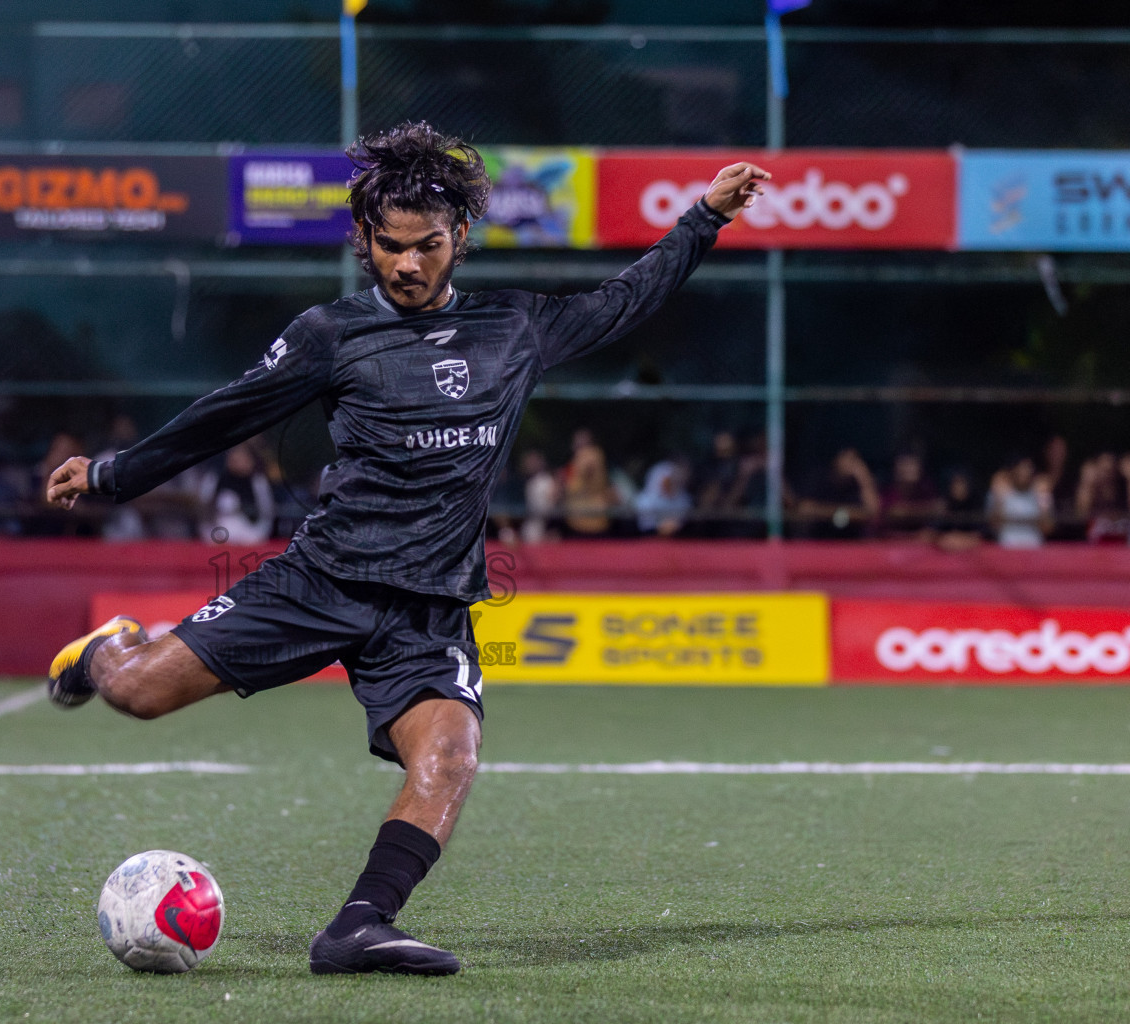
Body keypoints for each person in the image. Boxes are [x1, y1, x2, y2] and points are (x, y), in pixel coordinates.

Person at [43, 122, 768, 975]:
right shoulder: (329, 334)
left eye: (428, 246)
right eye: (391, 247)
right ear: (365, 241)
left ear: (459, 237)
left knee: (452, 754)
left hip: (425, 610)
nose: (409, 266)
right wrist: (113, 473)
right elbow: (226, 413)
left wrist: (702, 220)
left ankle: (357, 926)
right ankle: (107, 651)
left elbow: (624, 299)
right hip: (321, 580)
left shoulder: (516, 328)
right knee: (138, 694)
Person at [987, 455, 1053, 548]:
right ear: (1012, 470)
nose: (1024, 472)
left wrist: (1043, 501)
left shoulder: (1040, 493)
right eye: (1020, 468)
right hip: (1007, 549)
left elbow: (1047, 529)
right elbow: (993, 526)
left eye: (1028, 468)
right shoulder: (1001, 491)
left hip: (1034, 550)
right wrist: (999, 501)